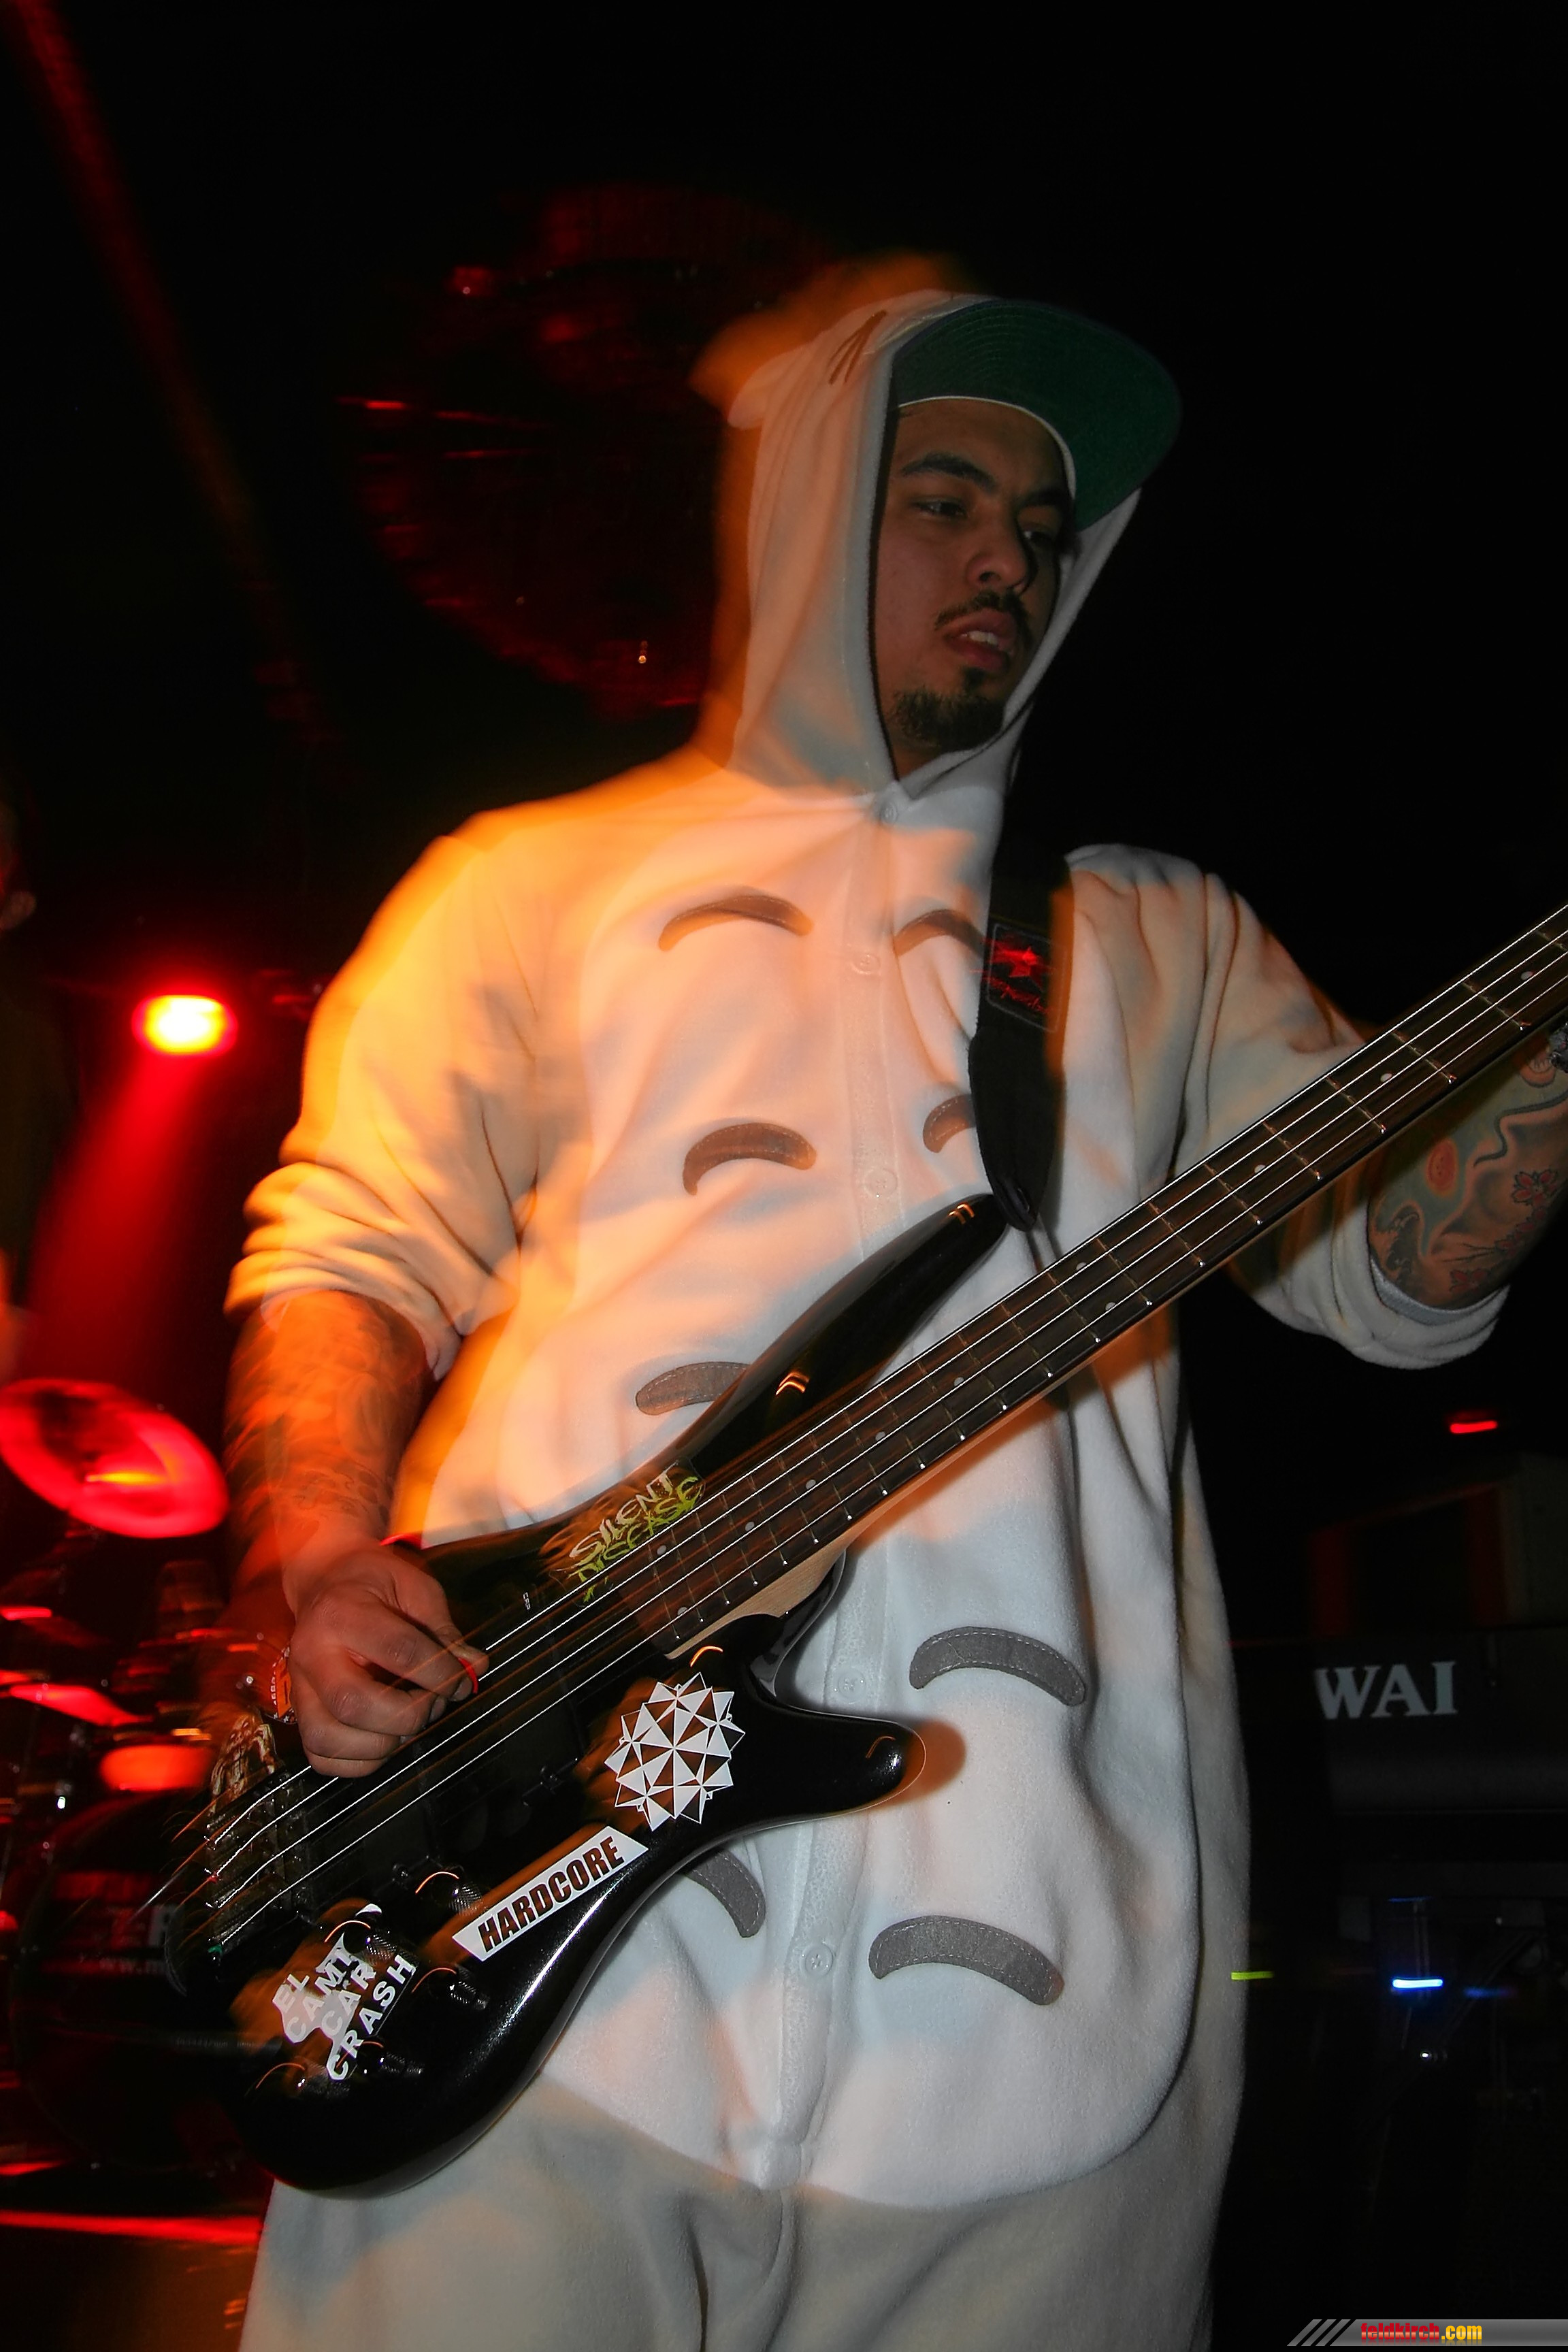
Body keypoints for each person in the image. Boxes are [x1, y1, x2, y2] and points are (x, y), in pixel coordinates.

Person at [225, 286, 1568, 2351]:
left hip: (1039, 1936)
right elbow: (351, 1241)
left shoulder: (1157, 935)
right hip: (518, 1881)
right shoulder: (519, 884)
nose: (1009, 559)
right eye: (943, 499)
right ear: (800, 518)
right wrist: (321, 1550)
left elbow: (1393, 1275)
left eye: (1040, 528)